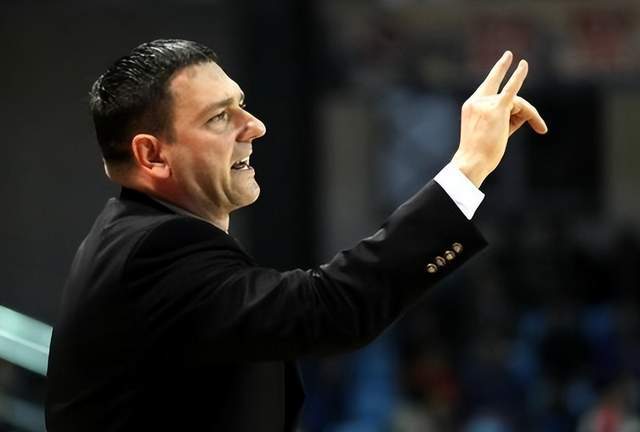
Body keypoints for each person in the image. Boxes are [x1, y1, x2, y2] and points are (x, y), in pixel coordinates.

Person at [45, 39, 547, 431]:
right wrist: (468, 168)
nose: (255, 126)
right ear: (152, 155)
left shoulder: (137, 238)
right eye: (219, 117)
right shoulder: (153, 251)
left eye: (241, 105)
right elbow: (331, 308)